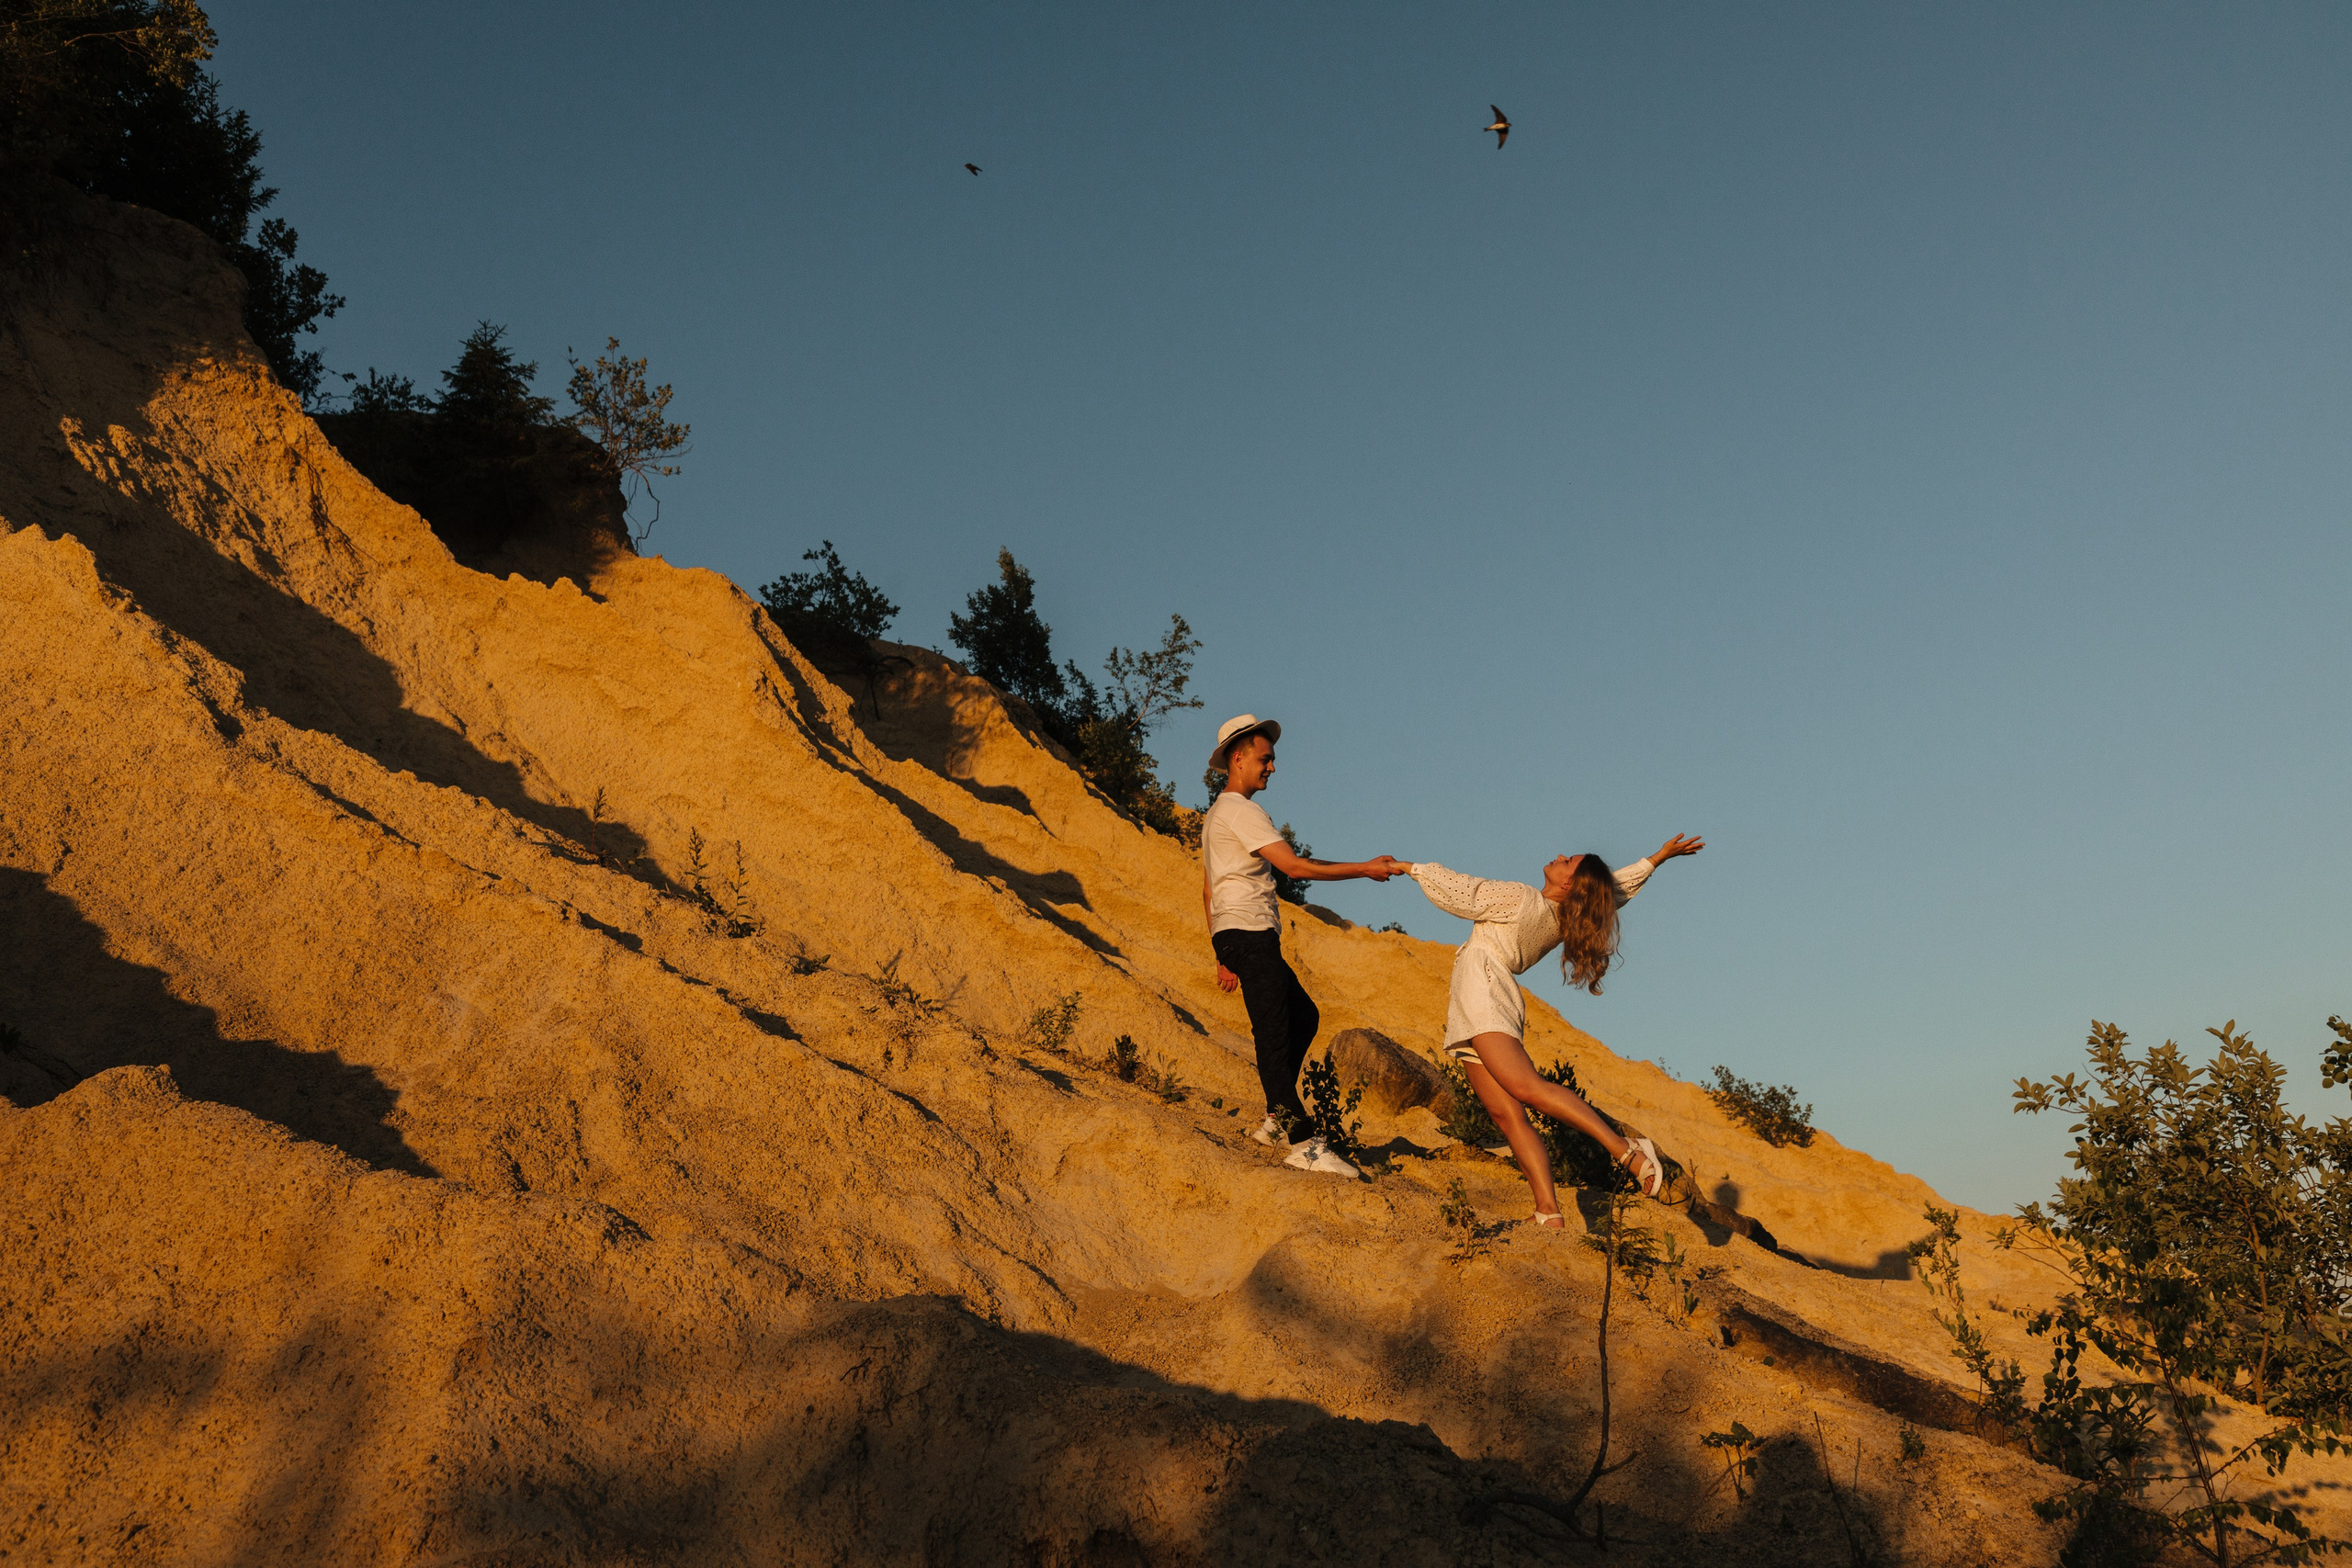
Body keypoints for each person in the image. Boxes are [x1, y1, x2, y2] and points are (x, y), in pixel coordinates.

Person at [1399, 835, 1705, 1222]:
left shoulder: (1523, 898)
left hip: (1485, 988)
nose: (1560, 856)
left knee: (1526, 1088)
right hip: (1479, 995)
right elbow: (1613, 889)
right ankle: (1548, 1211)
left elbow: (1467, 893)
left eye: (1569, 861)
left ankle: (1625, 1149)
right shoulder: (1566, 914)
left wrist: (1410, 868)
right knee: (1506, 1115)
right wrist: (1656, 859)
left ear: (1569, 885)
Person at [1201, 714, 1402, 1178]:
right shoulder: (1240, 811)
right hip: (1249, 934)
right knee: (1273, 1036)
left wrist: (1220, 950)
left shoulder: (1218, 816)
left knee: (1303, 1016)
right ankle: (1302, 1142)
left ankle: (1276, 1118)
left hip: (1238, 935)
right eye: (1264, 758)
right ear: (1238, 758)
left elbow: (1209, 889)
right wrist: (1365, 869)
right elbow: (1294, 869)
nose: (1272, 767)